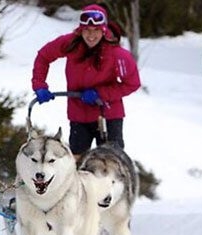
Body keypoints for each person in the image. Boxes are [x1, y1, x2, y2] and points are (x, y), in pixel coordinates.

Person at [31, 4, 141, 161]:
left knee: (110, 163)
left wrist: (101, 94)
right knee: (76, 162)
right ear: (80, 29)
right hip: (79, 114)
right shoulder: (70, 43)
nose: (91, 35)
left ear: (103, 30)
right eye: (87, 30)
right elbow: (43, 56)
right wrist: (39, 84)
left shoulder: (117, 54)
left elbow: (132, 83)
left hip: (107, 114)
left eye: (96, 30)